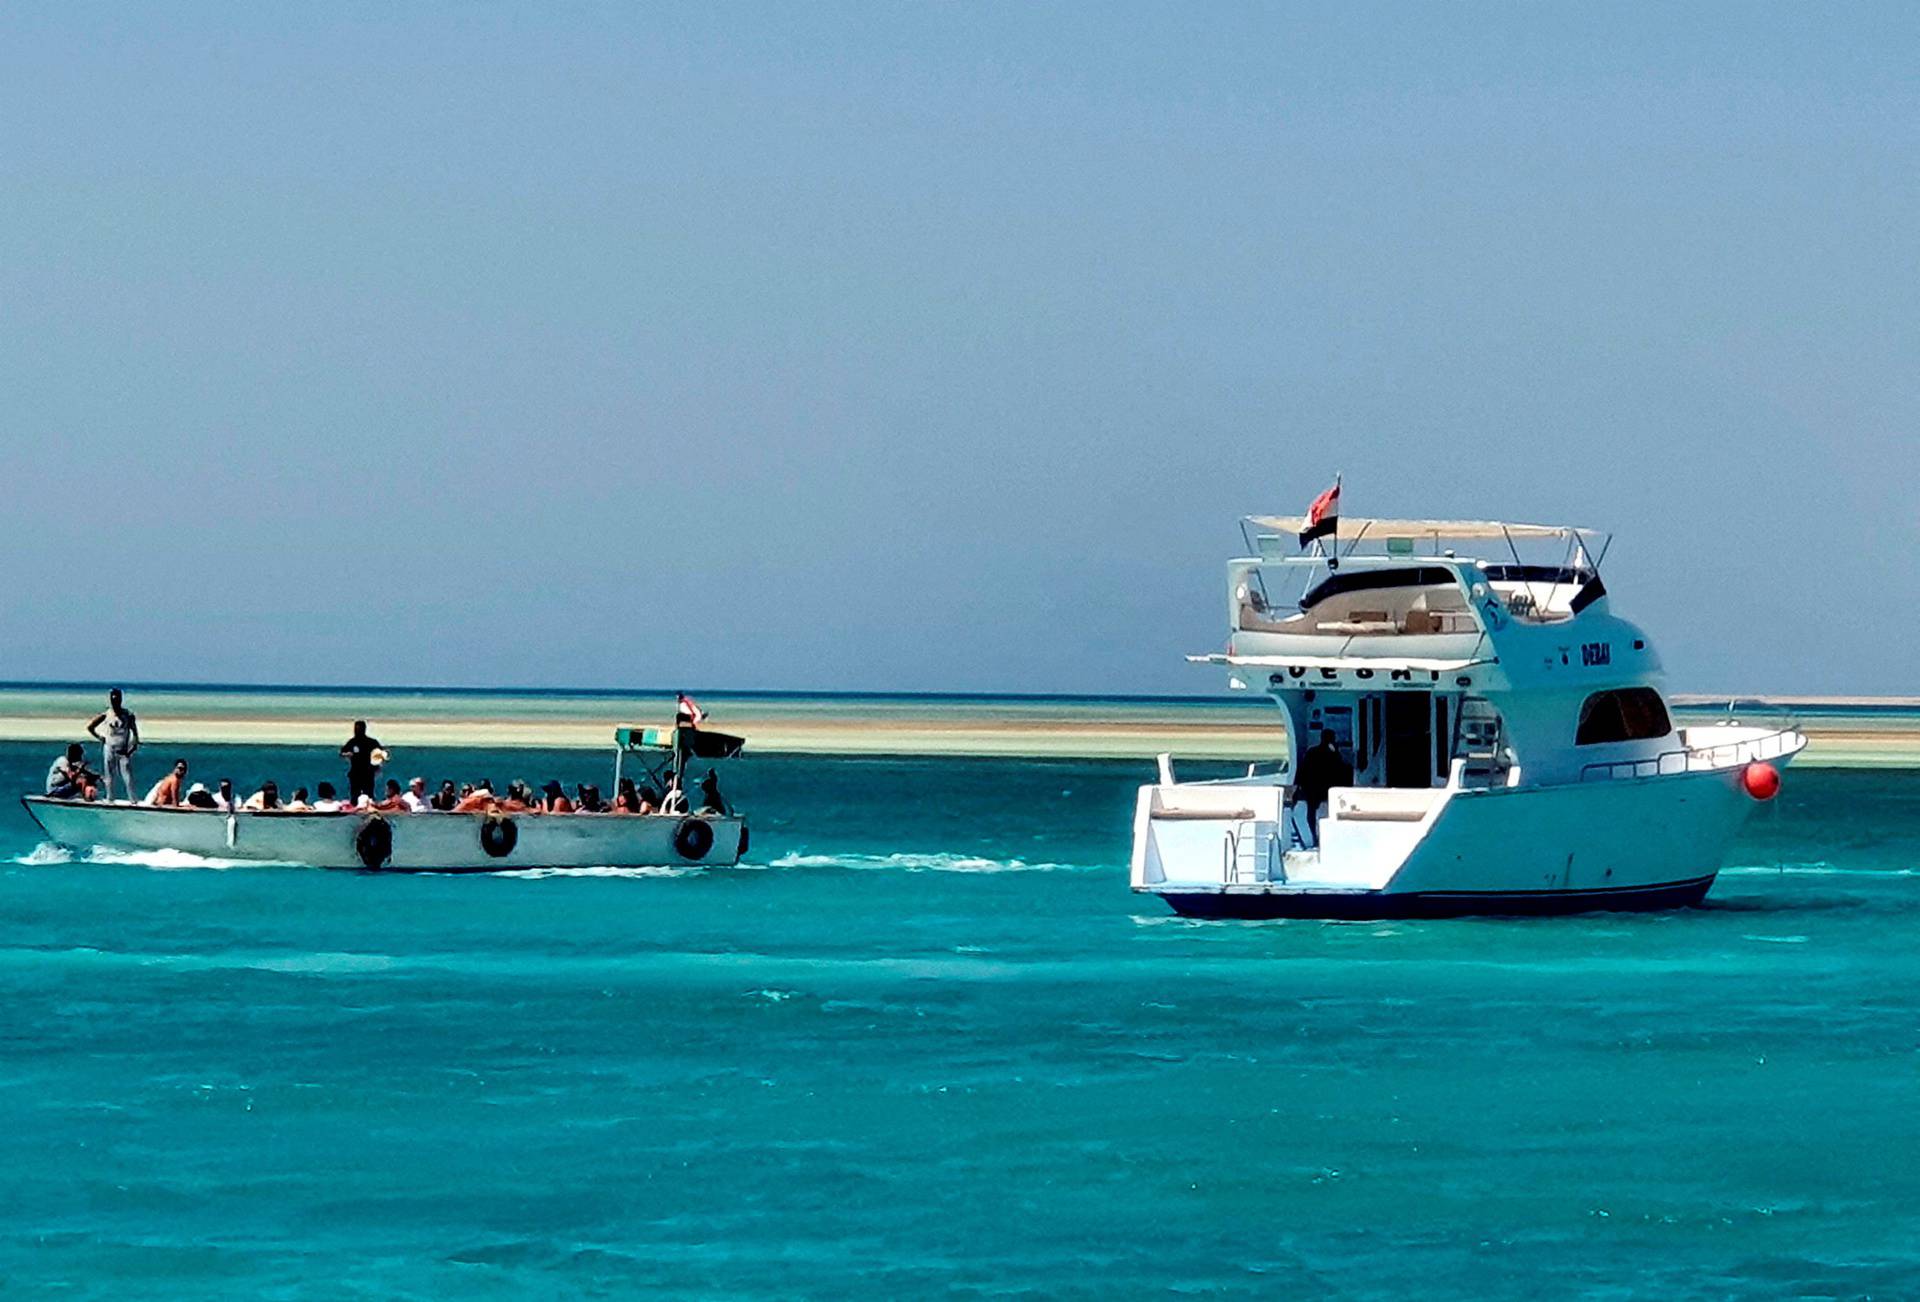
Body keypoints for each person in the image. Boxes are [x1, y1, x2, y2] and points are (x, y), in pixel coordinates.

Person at [1291, 729, 1354, 849]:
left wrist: (1298, 785)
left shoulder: (1314, 751)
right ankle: (1319, 837)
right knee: (1322, 812)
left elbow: (1302, 770)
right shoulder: (1331, 753)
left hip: (1314, 787)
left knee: (1312, 812)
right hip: (1321, 787)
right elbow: (1339, 768)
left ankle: (1315, 836)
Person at [86, 688, 139, 802]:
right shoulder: (106, 714)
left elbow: (135, 733)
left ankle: (133, 800)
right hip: (109, 748)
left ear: (120, 699)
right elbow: (90, 727)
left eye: (117, 699)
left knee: (127, 775)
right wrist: (99, 737)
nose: (115, 702)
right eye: (113, 699)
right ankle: (110, 799)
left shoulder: (128, 715)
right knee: (109, 775)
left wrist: (133, 745)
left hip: (123, 750)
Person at [338, 721, 383, 802]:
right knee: (355, 794)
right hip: (355, 773)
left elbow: (380, 754)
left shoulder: (371, 742)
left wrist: (377, 766)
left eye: (359, 729)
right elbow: (342, 752)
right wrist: (347, 754)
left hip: (368, 772)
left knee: (368, 794)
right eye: (355, 729)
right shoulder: (352, 742)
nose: (356, 731)